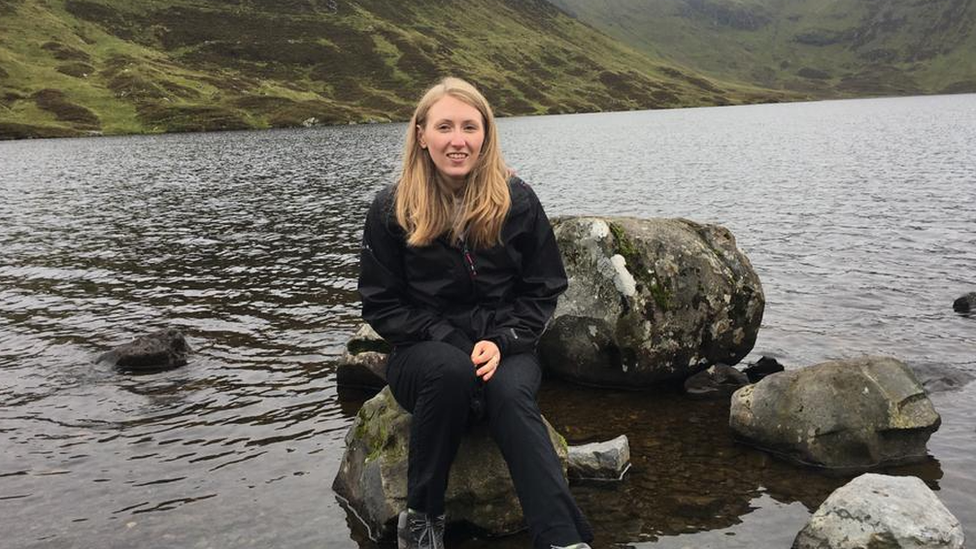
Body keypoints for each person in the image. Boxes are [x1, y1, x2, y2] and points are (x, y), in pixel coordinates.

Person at [357, 77, 593, 549]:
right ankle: (422, 520)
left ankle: (562, 539)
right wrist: (454, 340)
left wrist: (504, 340)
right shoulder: (391, 208)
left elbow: (544, 288)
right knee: (448, 372)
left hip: (507, 347)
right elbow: (382, 305)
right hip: (423, 357)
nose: (458, 140)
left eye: (470, 126)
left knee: (509, 392)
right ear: (421, 134)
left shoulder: (517, 199)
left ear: (486, 134)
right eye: (444, 126)